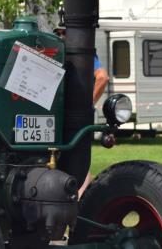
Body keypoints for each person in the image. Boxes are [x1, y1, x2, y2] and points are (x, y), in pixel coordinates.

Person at [54, 26, 108, 197]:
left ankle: (80, 202)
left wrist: (85, 104)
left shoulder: (83, 55)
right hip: (60, 115)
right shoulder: (55, 52)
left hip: (69, 116)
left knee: (76, 159)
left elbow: (103, 77)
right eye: (59, 33)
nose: (61, 36)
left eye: (64, 33)